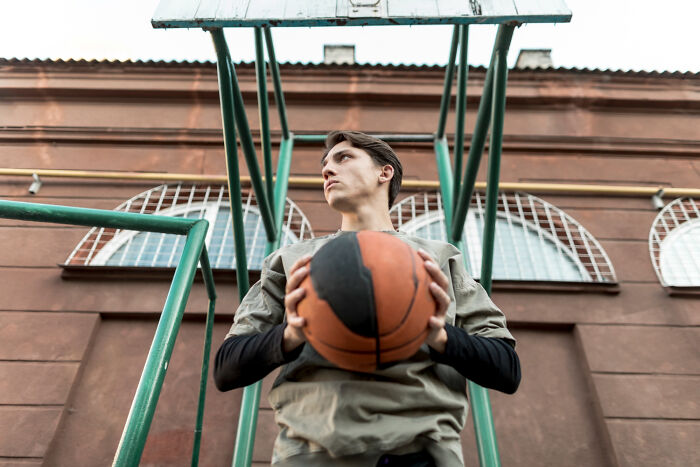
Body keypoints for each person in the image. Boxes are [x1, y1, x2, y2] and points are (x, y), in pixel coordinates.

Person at [214, 131, 521, 467]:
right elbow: (226, 368)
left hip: (421, 452)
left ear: (384, 172)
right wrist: (290, 335)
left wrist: (440, 335)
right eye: (325, 165)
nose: (327, 170)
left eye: (343, 157)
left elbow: (506, 369)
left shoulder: (439, 259)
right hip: (312, 452)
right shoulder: (292, 261)